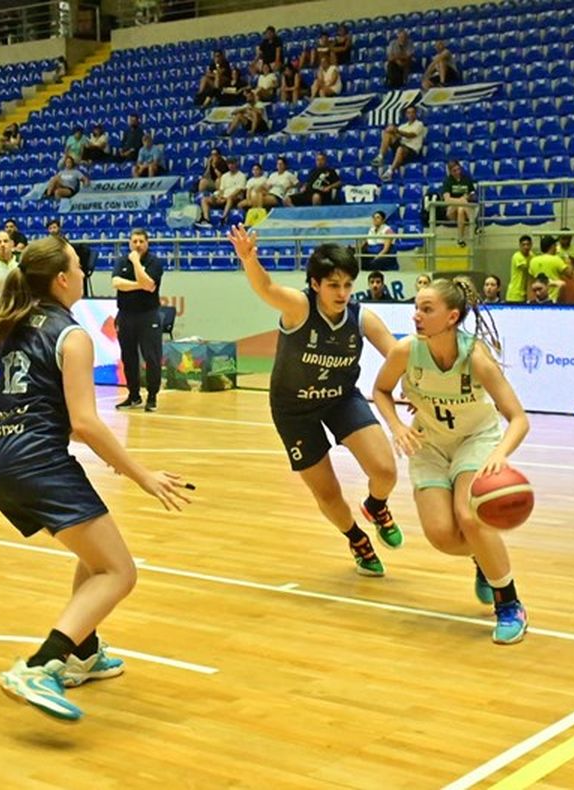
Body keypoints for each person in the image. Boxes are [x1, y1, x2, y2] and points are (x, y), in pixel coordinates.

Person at [0, 236, 190, 722]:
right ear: (64, 280)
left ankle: (84, 653)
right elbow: (86, 423)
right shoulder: (72, 336)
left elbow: (58, 413)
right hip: (35, 462)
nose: (83, 270)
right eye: (77, 264)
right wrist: (141, 475)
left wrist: (106, 455)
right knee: (119, 572)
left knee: (95, 555)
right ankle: (42, 664)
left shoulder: (13, 324)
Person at [228, 228, 403, 575]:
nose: (342, 293)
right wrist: (250, 259)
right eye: (333, 285)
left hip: (341, 400)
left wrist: (412, 382)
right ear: (315, 284)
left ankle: (376, 506)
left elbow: (397, 353)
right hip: (294, 411)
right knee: (327, 491)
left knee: (385, 470)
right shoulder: (299, 307)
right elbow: (266, 289)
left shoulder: (361, 317)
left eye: (347, 285)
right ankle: (356, 539)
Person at [371, 278, 530, 644]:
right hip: (429, 445)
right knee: (442, 535)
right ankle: (483, 558)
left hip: (475, 441)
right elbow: (379, 390)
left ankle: (510, 604)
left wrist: (499, 454)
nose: (416, 316)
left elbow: (518, 418)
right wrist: (396, 425)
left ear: (451, 316)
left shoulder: (475, 356)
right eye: (416, 308)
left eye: (427, 309)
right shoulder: (405, 351)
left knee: (469, 516)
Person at [112, 229, 164, 412]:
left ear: (147, 243)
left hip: (148, 315)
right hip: (125, 315)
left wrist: (136, 263)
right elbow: (116, 283)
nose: (138, 245)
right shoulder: (121, 261)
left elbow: (150, 285)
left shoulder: (154, 262)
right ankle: (133, 395)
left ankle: (152, 396)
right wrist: (138, 285)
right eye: (134, 241)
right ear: (129, 243)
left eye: (141, 241)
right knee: (128, 357)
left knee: (152, 357)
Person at [373, 105, 425, 181]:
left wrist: (397, 130)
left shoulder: (419, 124)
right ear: (406, 115)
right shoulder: (403, 126)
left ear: (415, 114)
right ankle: (380, 157)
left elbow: (410, 135)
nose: (410, 114)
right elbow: (398, 136)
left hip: (412, 151)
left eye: (412, 112)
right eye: (408, 113)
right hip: (401, 147)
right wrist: (392, 130)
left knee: (400, 149)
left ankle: (389, 172)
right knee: (387, 133)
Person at [439, 160, 477, 246]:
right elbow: (447, 200)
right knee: (462, 203)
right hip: (451, 210)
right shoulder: (447, 181)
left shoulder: (466, 179)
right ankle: (474, 224)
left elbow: (473, 194)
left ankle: (460, 239)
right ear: (450, 172)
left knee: (461, 209)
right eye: (454, 171)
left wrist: (469, 197)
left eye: (458, 169)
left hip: (464, 210)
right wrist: (461, 200)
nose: (457, 172)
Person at [505, 235, 536, 304]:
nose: (526, 247)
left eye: (528, 244)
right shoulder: (517, 256)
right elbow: (527, 268)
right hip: (514, 294)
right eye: (523, 245)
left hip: (525, 293)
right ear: (520, 246)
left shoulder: (531, 256)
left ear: (531, 245)